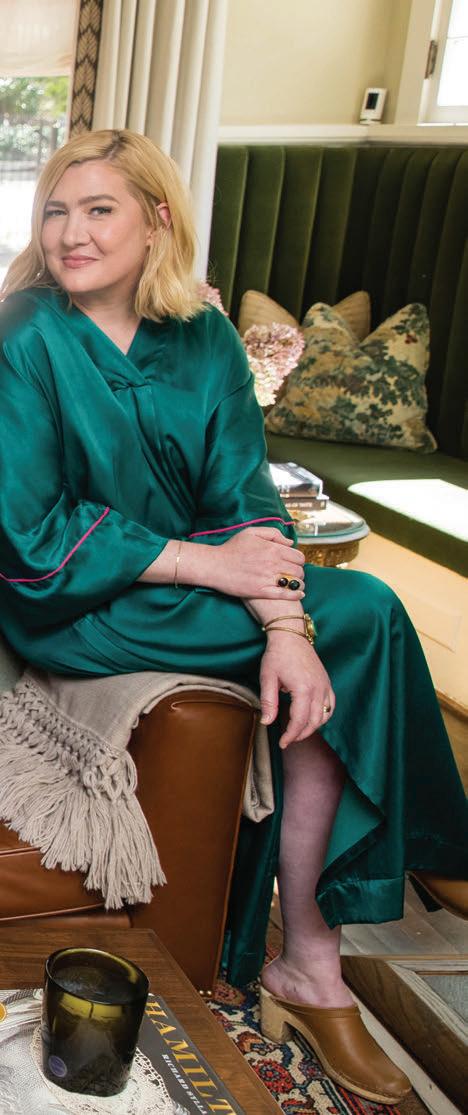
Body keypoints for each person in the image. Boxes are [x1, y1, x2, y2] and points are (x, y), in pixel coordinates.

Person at [0, 129, 466, 1105]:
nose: (72, 233)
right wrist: (217, 569)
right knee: (366, 614)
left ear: (157, 219)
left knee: (354, 620)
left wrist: (287, 630)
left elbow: (245, 498)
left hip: (192, 594)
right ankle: (350, 923)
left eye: (100, 210)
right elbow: (33, 534)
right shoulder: (26, 333)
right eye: (57, 211)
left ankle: (311, 955)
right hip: (71, 603)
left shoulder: (204, 337)